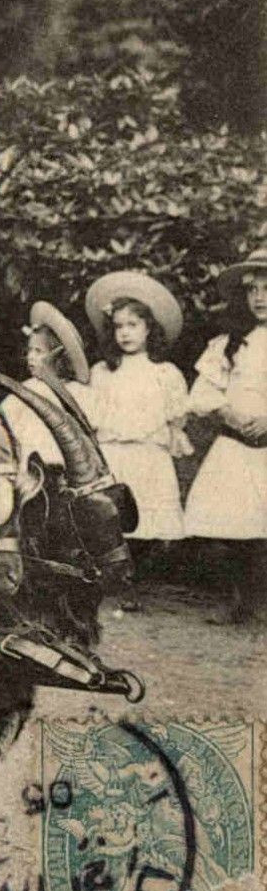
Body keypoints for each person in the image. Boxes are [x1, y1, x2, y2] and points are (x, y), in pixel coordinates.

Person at [84, 270, 190, 610]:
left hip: (148, 455)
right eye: (118, 326)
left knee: (149, 522)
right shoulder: (103, 372)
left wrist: (172, 436)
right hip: (114, 454)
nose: (125, 333)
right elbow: (93, 414)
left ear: (149, 329)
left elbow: (176, 416)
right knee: (111, 521)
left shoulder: (164, 373)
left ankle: (134, 577)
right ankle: (114, 581)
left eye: (133, 325)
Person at [183, 249, 267, 623]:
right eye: (253, 290)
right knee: (222, 521)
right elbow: (203, 392)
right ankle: (237, 599)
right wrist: (228, 413)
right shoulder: (231, 343)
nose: (260, 297)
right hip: (236, 443)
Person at [0, 301, 96, 469]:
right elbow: (6, 417)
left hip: (64, 460)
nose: (31, 357)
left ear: (58, 357)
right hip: (30, 458)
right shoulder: (27, 389)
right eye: (29, 350)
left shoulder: (75, 392)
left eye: (38, 352)